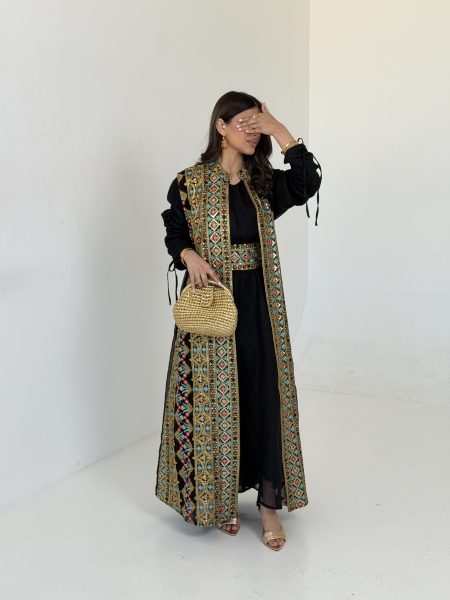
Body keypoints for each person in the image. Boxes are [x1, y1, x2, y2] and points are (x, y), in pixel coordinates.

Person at [155, 91, 322, 551]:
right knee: (214, 398)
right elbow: (174, 228)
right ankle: (220, 499)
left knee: (262, 394)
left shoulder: (263, 182)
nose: (253, 132)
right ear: (221, 126)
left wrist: (279, 130)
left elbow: (307, 181)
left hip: (260, 305)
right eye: (245, 123)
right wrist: (188, 255)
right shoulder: (189, 183)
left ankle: (267, 505)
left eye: (257, 123)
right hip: (213, 305)